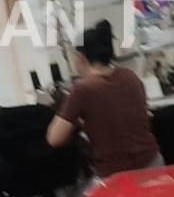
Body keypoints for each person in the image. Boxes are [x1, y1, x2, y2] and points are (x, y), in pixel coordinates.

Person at [46, 20, 161, 176]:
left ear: (80, 57)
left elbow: (54, 138)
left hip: (118, 175)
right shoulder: (130, 76)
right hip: (153, 163)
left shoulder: (83, 89)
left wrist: (73, 115)